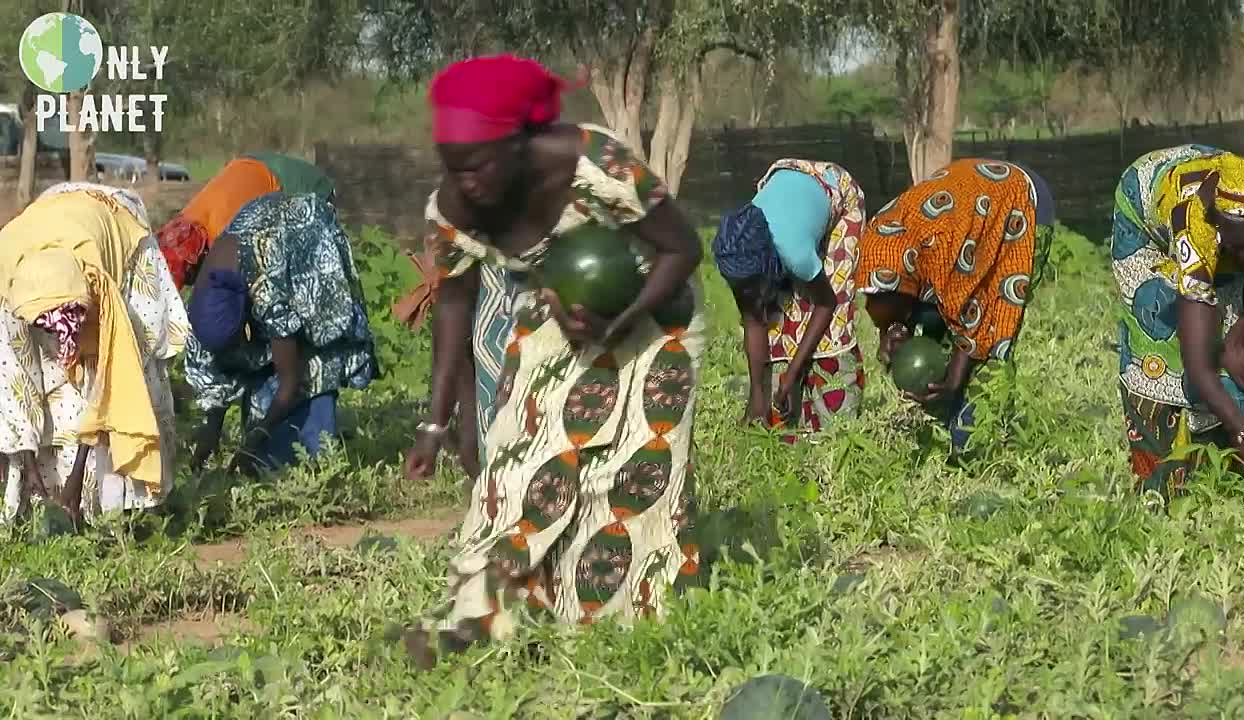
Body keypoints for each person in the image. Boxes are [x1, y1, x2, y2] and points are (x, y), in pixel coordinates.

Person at [399, 54, 705, 670]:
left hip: (656, 315)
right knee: (515, 463)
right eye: (452, 168)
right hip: (557, 314)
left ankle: (614, 633)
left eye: (478, 164)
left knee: (628, 480)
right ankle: (477, 618)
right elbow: (452, 310)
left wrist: (620, 322)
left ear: (518, 143)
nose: (467, 181)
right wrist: (440, 424)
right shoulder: (453, 209)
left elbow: (684, 247)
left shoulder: (598, 163)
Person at [0, 182, 189, 525]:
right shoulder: (7, 290)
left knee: (137, 374)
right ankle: (40, 496)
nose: (55, 340)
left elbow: (108, 383)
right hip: (53, 221)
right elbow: (13, 385)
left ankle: (129, 507)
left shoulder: (100, 291)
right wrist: (30, 471)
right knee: (41, 384)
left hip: (116, 223)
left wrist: (75, 479)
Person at [1111, 144, 1244, 499]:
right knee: (1160, 337)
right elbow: (1198, 366)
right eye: (1240, 249)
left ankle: (1228, 468)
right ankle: (1163, 478)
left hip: (1222, 210)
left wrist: (1240, 333)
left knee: (1234, 340)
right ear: (1217, 224)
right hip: (1145, 220)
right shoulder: (1195, 224)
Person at [856, 158, 1056, 452]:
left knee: (991, 340)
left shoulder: (942, 250)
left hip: (1017, 206)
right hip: (963, 214)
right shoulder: (880, 241)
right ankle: (940, 431)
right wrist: (895, 328)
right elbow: (891, 298)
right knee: (937, 324)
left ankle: (977, 448)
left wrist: (954, 381)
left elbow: (973, 310)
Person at [183, 191, 378, 475]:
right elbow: (212, 373)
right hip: (261, 233)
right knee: (260, 398)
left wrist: (256, 437)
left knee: (314, 361)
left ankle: (314, 459)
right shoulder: (201, 312)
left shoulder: (267, 292)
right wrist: (209, 434)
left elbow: (290, 381)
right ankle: (270, 455)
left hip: (305, 239)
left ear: (247, 325)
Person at [711, 159, 866, 441]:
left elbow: (826, 304)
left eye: (752, 283)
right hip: (784, 184)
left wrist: (792, 373)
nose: (745, 291)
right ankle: (784, 413)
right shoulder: (737, 254)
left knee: (833, 328)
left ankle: (836, 417)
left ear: (767, 260)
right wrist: (756, 399)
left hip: (836, 192)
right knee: (777, 315)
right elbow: (753, 319)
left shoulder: (792, 251)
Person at [156, 152, 336, 290]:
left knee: (302, 283)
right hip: (250, 168)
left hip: (304, 187)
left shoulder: (225, 236)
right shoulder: (186, 220)